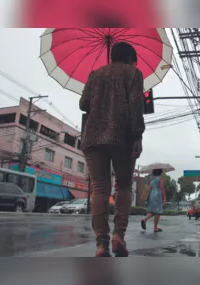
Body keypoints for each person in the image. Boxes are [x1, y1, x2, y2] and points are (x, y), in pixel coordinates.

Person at [79, 42, 145, 257]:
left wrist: (98, 87)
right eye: (133, 60)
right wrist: (138, 136)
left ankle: (100, 244)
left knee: (99, 188)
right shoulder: (134, 73)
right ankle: (119, 236)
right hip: (122, 136)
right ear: (128, 58)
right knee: (124, 186)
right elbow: (136, 105)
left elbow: (83, 103)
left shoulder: (95, 74)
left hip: (93, 137)